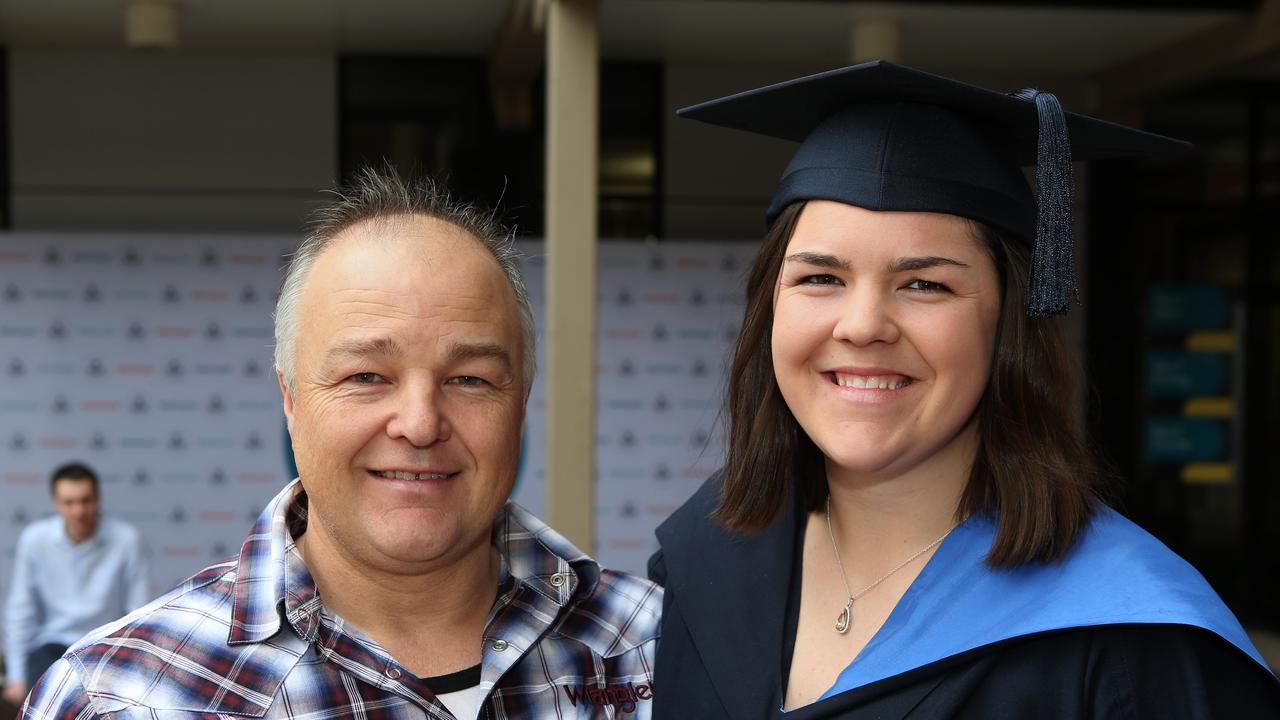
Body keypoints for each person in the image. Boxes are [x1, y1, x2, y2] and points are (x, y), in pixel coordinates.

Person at [648, 61, 1280, 718]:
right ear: (769, 307)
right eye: (820, 278)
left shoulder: (1130, 642)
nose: (863, 325)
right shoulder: (706, 562)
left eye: (926, 284)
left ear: (1009, 324)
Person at [22, 168, 661, 720]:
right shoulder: (120, 696)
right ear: (291, 400)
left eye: (469, 379)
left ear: (521, 401)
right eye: (365, 377)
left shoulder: (659, 645)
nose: (419, 422)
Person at [3, 463, 151, 707]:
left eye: (85, 501)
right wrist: (16, 676)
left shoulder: (127, 539)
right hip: (50, 648)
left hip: (105, 647)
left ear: (98, 499)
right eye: (69, 502)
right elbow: (21, 611)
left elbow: (139, 610)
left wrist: (140, 665)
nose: (78, 511)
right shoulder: (34, 539)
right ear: (56, 503)